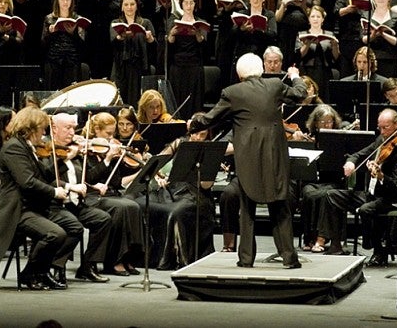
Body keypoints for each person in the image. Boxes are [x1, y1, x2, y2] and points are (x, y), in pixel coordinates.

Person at [190, 53, 307, 269]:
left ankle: (246, 259)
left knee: (247, 207)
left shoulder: (232, 92)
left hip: (248, 156)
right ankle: (289, 258)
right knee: (280, 205)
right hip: (275, 155)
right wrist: (295, 76)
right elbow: (301, 94)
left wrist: (193, 124)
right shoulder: (274, 85)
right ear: (261, 69)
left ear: (238, 74)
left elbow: (210, 119)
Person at [0, 106, 79, 290]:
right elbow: (27, 182)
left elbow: (44, 175)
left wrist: (63, 160)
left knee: (73, 227)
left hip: (35, 205)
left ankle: (43, 270)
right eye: (42, 128)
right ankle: (30, 273)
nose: (44, 133)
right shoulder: (13, 148)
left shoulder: (28, 146)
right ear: (31, 128)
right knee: (55, 233)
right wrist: (55, 192)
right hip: (19, 209)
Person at [131, 114, 229, 270]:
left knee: (176, 213)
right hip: (172, 189)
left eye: (202, 134)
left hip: (196, 195)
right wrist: (157, 175)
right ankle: (146, 258)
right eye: (194, 133)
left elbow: (205, 186)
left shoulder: (211, 150)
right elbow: (157, 161)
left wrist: (206, 166)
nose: (197, 137)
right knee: (139, 204)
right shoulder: (179, 143)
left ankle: (174, 258)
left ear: (208, 134)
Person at [338, 108, 397, 266]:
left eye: (385, 127)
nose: (382, 131)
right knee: (333, 196)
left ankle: (378, 250)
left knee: (366, 209)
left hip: (393, 198)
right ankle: (335, 244)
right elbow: (362, 153)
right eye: (379, 127)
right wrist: (351, 162)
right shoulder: (383, 138)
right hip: (374, 192)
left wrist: (380, 176)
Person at [42, 112, 112, 283]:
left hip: (75, 204)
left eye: (74, 128)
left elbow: (82, 179)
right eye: (68, 128)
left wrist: (92, 186)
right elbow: (45, 179)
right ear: (54, 129)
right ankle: (57, 265)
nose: (73, 132)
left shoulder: (75, 150)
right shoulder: (45, 150)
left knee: (103, 219)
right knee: (74, 227)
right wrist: (69, 185)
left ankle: (87, 266)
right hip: (54, 205)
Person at [79, 112, 144, 276]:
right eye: (107, 134)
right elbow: (87, 178)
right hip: (91, 197)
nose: (110, 138)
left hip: (110, 195)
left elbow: (115, 182)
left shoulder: (109, 150)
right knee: (121, 208)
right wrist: (107, 159)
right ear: (96, 131)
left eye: (112, 134)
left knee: (133, 206)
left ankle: (128, 257)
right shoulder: (85, 152)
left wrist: (115, 159)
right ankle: (113, 261)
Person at [297, 104, 352, 254]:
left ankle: (321, 238)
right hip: (314, 181)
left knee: (325, 195)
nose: (327, 125)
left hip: (333, 181)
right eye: (323, 122)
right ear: (315, 123)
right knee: (308, 193)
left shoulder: (339, 138)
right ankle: (309, 237)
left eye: (330, 121)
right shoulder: (309, 138)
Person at [165, 0, 205, 120]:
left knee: (194, 100)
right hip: (177, 66)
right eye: (186, 3)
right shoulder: (173, 21)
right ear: (181, 4)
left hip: (194, 66)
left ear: (195, 4)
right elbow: (169, 44)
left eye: (191, 3)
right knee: (177, 100)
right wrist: (172, 33)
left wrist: (197, 34)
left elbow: (203, 45)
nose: (188, 6)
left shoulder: (200, 22)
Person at [275, 0, 322, 67]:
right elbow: (277, 18)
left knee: (302, 64)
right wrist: (283, 5)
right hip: (286, 32)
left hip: (304, 30)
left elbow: (315, 17)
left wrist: (303, 6)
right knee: (286, 63)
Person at [110, 0, 156, 107]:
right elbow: (112, 42)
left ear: (136, 6)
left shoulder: (145, 22)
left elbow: (154, 47)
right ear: (122, 7)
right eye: (126, 4)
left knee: (138, 101)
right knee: (121, 101)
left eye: (132, 4)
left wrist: (149, 38)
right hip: (121, 68)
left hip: (139, 67)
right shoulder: (116, 23)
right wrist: (121, 36)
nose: (129, 7)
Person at [41, 0, 87, 91]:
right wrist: (50, 33)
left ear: (72, 1)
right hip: (54, 61)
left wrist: (73, 33)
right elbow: (43, 44)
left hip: (72, 61)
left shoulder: (77, 18)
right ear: (57, 0)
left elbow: (83, 44)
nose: (65, 2)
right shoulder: (49, 18)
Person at [215, 0, 250, 89]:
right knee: (225, 71)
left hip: (243, 36)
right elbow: (218, 15)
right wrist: (226, 9)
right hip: (226, 35)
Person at [359, 0, 397, 80]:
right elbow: (363, 39)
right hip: (370, 59)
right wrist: (374, 35)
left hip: (389, 59)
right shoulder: (366, 15)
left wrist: (383, 34)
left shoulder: (396, 16)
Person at [334, 0, 371, 79]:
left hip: (367, 40)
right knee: (346, 75)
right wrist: (347, 10)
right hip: (348, 39)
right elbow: (336, 12)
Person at [295, 5, 339, 101]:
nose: (315, 19)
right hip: (307, 70)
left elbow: (336, 57)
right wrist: (307, 44)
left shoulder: (329, 34)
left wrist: (335, 45)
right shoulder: (302, 34)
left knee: (324, 97)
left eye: (318, 17)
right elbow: (299, 55)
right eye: (313, 16)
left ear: (323, 19)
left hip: (325, 71)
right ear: (309, 19)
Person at [232, 0, 277, 76]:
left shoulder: (269, 14)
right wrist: (242, 29)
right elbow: (233, 33)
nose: (255, 0)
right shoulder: (242, 13)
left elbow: (273, 34)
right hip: (243, 53)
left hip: (260, 52)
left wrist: (259, 30)